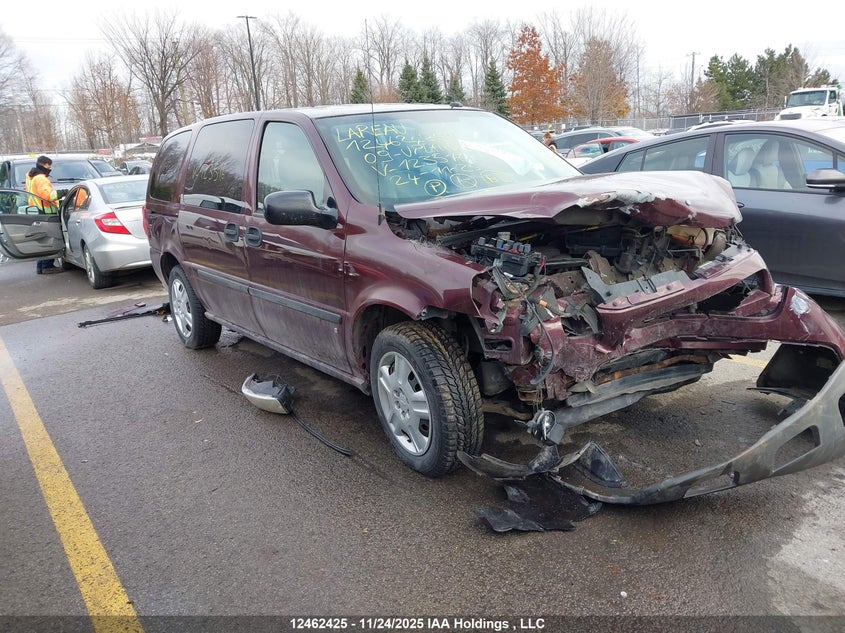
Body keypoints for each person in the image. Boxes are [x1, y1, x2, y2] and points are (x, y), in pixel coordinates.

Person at [25, 155, 61, 274]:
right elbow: (48, 196)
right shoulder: (41, 178)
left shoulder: (30, 176)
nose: (50, 169)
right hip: (47, 212)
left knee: (42, 238)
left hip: (37, 210)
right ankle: (47, 266)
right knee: (50, 238)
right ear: (45, 165)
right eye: (49, 166)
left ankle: (41, 266)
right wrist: (61, 193)